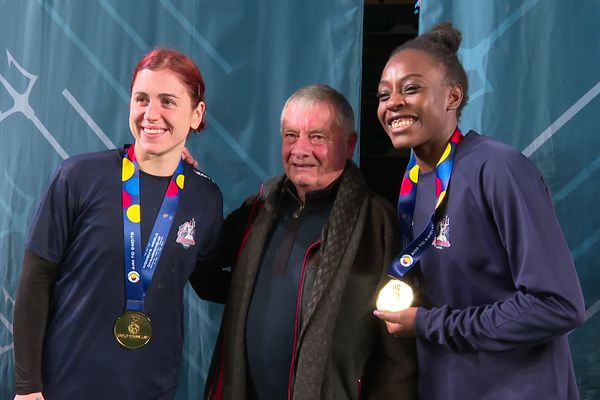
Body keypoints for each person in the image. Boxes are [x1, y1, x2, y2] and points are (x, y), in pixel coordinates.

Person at [372, 22, 585, 399]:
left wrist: (429, 323)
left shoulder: (498, 167)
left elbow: (557, 305)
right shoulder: (417, 181)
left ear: (453, 96)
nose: (393, 103)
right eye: (384, 94)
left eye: (411, 88)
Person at [12, 48, 226, 400]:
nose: (150, 114)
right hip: (64, 387)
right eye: (141, 99)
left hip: (151, 389)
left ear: (196, 113)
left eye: (168, 102)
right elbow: (36, 281)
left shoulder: (205, 197)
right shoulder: (78, 177)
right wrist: (27, 388)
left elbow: (209, 280)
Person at [203, 85, 417, 400]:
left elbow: (397, 356)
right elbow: (208, 273)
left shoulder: (377, 223)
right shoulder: (260, 207)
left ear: (349, 144)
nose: (300, 150)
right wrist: (177, 180)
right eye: (291, 136)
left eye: (317, 137)